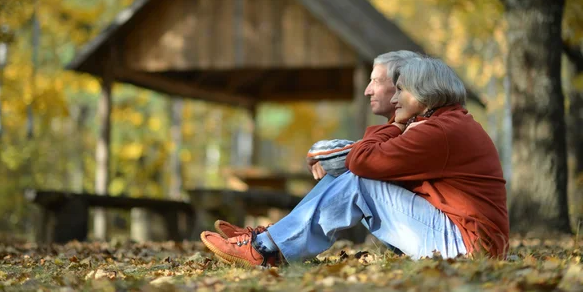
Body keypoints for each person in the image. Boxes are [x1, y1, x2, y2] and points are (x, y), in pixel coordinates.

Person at [201, 56, 509, 267]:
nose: (394, 99)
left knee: (361, 179)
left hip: (469, 247)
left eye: (401, 90)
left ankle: (266, 248)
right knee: (356, 175)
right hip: (470, 240)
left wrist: (393, 126)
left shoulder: (438, 131)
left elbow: (361, 162)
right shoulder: (447, 124)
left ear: (423, 93)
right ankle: (269, 241)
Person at [213, 50, 421, 239]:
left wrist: (318, 153)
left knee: (353, 174)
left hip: (421, 234)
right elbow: (359, 154)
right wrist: (330, 157)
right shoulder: (401, 127)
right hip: (409, 226)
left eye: (375, 81)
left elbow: (360, 156)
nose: (367, 91)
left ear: (400, 85)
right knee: (342, 171)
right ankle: (271, 237)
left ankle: (270, 243)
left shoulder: (415, 128)